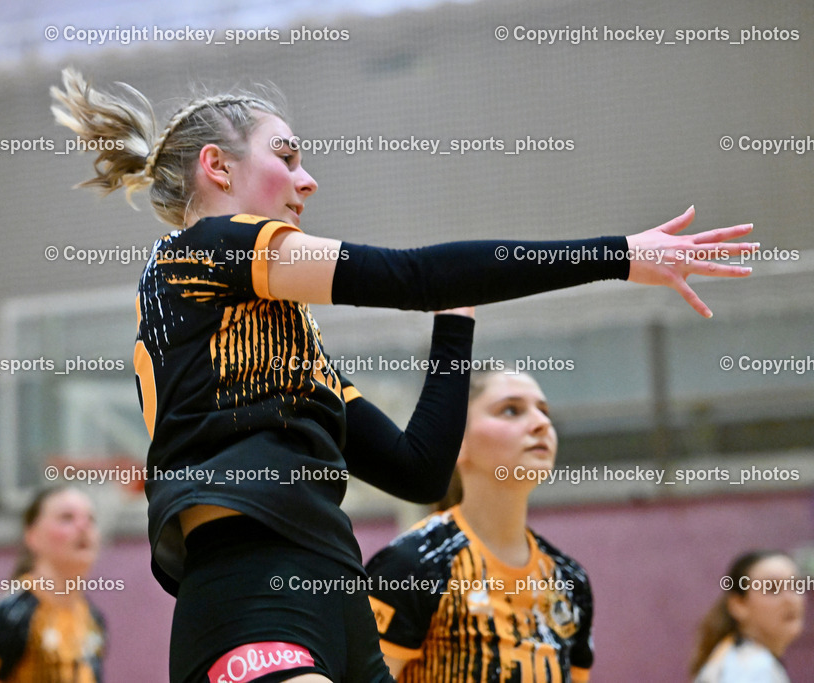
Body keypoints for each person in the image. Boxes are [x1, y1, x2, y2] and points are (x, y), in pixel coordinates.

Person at [49, 67, 756, 683]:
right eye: (287, 155)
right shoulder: (198, 254)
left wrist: (457, 319)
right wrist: (622, 254)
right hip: (250, 586)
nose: (308, 178)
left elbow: (418, 470)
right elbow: (411, 273)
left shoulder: (286, 351)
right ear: (219, 167)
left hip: (338, 593)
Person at [366, 370, 593, 682]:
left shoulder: (570, 580)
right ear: (456, 441)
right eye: (511, 410)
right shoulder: (413, 566)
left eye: (544, 411)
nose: (542, 423)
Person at [0, 485, 107, 683]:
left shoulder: (93, 619)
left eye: (91, 519)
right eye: (67, 518)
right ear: (33, 536)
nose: (84, 526)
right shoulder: (6, 618)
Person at [691, 550, 805, 682]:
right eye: (772, 588)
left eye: (796, 585)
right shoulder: (753, 668)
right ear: (739, 604)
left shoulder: (734, 657)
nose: (790, 599)